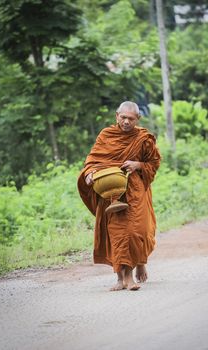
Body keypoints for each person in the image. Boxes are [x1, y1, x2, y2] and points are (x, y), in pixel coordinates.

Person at [77, 101, 161, 291]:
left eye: (130, 119)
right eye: (122, 117)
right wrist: (89, 174)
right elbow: (92, 160)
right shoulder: (106, 135)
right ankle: (121, 279)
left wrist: (138, 165)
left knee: (136, 231)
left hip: (134, 191)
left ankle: (139, 263)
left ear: (137, 119)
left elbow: (154, 162)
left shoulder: (143, 138)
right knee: (116, 232)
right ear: (116, 116)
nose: (126, 122)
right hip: (110, 191)